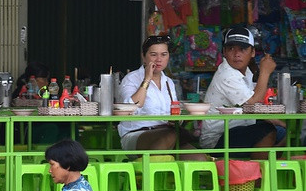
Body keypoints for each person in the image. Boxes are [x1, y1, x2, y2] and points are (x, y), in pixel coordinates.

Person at [200, 25, 284, 157]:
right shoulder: (227, 74)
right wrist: (265, 72)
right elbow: (251, 103)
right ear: (224, 52)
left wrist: (274, 119)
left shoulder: (245, 74)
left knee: (282, 133)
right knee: (267, 130)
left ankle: (266, 166)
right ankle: (260, 173)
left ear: (252, 52)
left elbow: (253, 107)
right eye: (231, 48)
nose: (236, 54)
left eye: (243, 49)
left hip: (237, 131)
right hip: (217, 141)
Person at [118, 35, 201, 158]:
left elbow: (174, 111)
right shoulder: (132, 79)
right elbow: (129, 109)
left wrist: (178, 120)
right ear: (144, 56)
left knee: (199, 159)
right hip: (137, 134)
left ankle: (163, 169)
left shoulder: (169, 82)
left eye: (163, 54)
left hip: (168, 133)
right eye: (153, 54)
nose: (159, 59)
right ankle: (150, 174)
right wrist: (147, 79)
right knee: (169, 135)